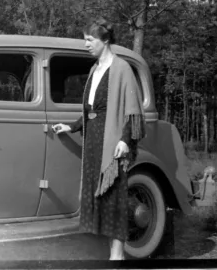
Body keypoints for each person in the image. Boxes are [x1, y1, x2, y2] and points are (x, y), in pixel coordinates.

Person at [52, 18, 146, 260]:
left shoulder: (122, 68)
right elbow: (90, 109)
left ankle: (118, 256)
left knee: (114, 199)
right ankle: (109, 253)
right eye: (85, 40)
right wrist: (71, 127)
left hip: (112, 141)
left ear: (105, 41)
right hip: (93, 141)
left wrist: (125, 140)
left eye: (89, 40)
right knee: (100, 199)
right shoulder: (94, 70)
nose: (86, 45)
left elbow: (132, 110)